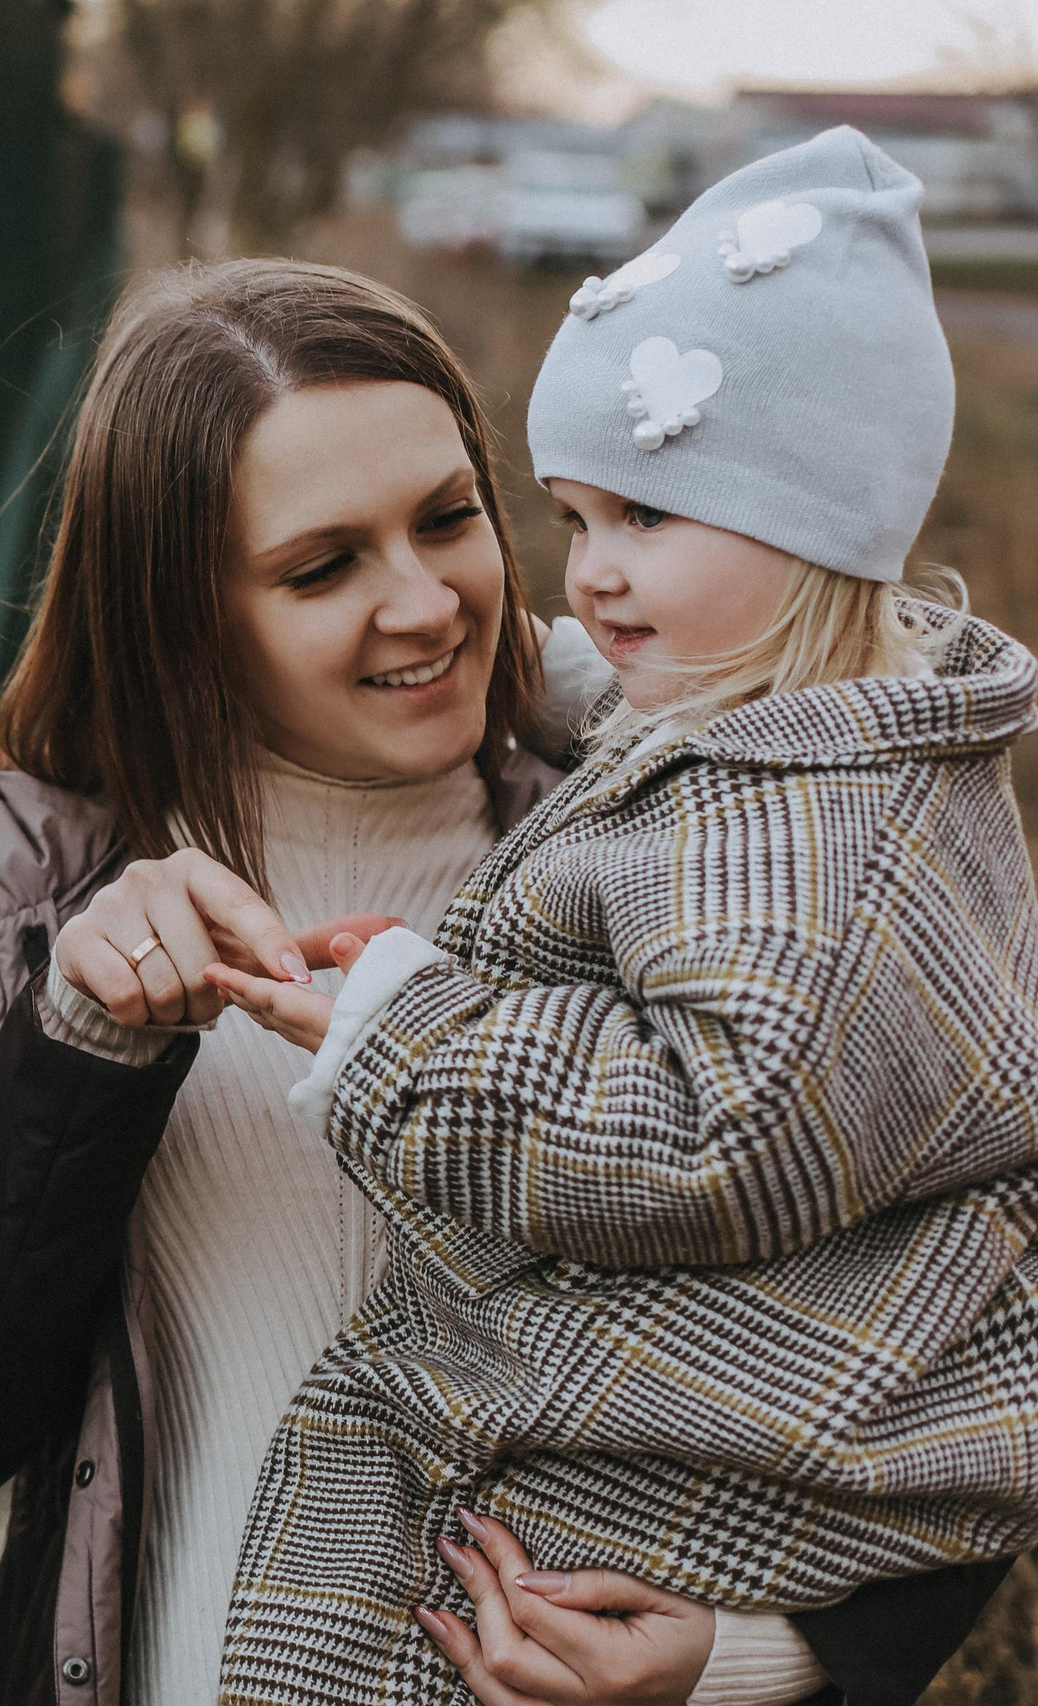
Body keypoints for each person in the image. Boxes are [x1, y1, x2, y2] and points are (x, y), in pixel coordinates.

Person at [0, 240, 1018, 1706]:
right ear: (182, 608)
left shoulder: (708, 857)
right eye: (322, 565)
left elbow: (951, 1328)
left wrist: (738, 1661)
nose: (429, 603)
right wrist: (83, 1040)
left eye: (449, 518)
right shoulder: (29, 887)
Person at [200, 128, 1038, 1706]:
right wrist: (560, 669)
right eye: (574, 521)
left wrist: (406, 1029)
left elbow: (716, 1136)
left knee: (411, 1621)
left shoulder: (819, 844)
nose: (588, 577)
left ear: (815, 527)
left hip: (674, 1439)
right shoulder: (840, 725)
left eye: (643, 518)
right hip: (681, 1416)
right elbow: (687, 732)